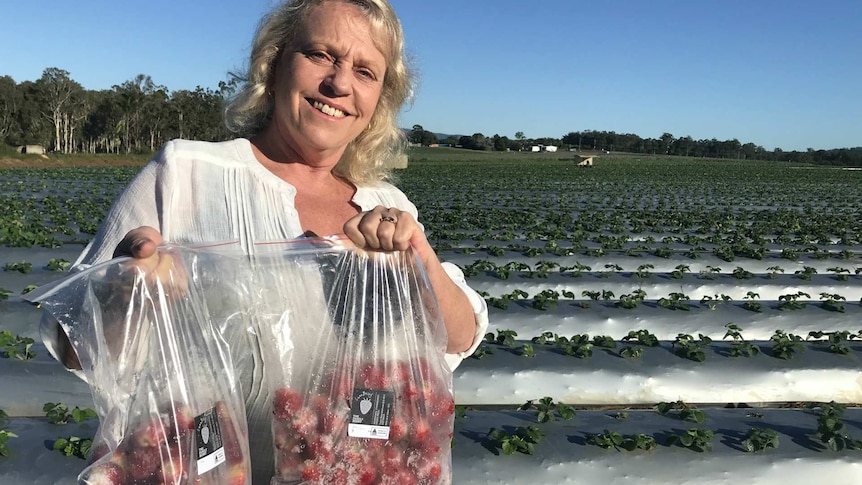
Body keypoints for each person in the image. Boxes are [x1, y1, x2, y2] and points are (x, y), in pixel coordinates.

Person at [40, 0, 489, 482]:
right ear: (274, 64)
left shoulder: (387, 203)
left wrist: (415, 255)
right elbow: (75, 346)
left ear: (378, 99)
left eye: (365, 71)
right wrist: (126, 286)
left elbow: (459, 335)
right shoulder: (187, 174)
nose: (339, 84)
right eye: (321, 55)